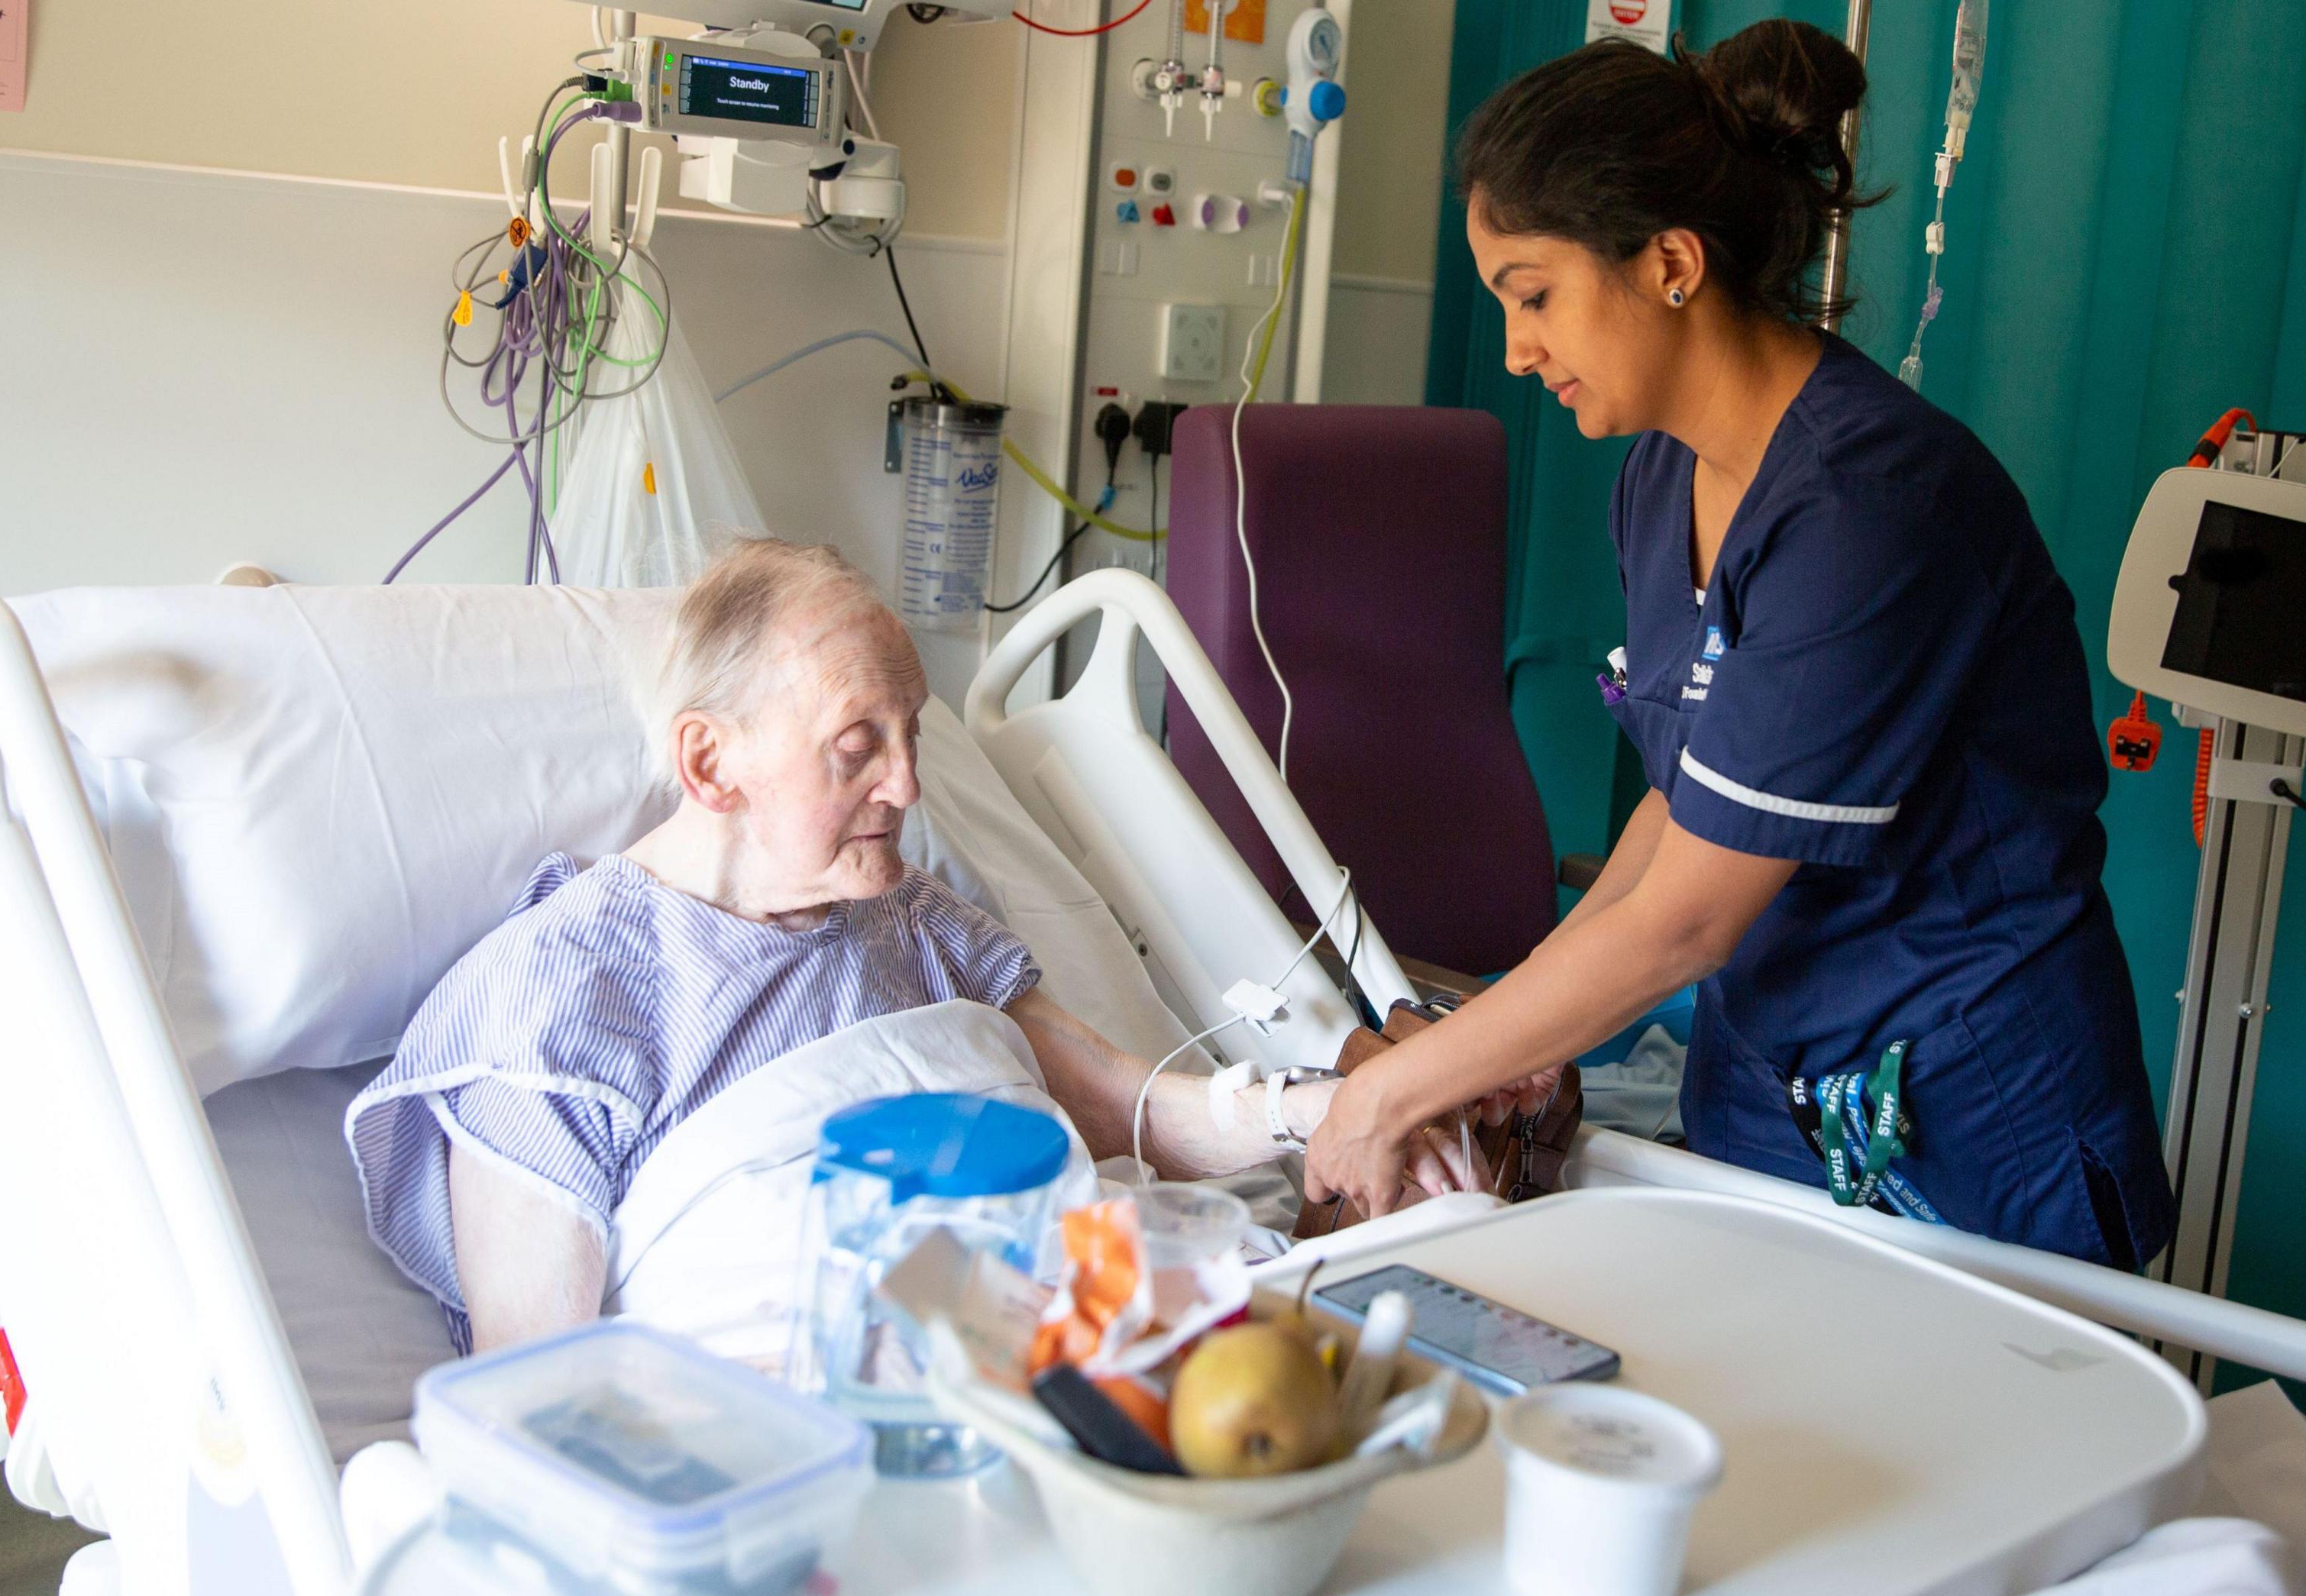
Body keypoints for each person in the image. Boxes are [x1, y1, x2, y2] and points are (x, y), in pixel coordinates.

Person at [1302, 22, 2175, 1269]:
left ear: (1670, 262)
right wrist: (1516, 1026)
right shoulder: (1661, 476)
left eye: (1534, 296)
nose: (1516, 350)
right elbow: (1692, 798)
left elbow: (1687, 921)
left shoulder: (1871, 509)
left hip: (1967, 1107)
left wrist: (1394, 1090)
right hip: (1771, 1076)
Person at [348, 539, 1473, 1351]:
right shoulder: (550, 999)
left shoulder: (914, 919)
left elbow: (1122, 1105)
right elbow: (539, 1391)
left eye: (912, 733)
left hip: (1096, 1354)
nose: (909, 783)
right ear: (709, 766)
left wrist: (1330, 1110)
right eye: (857, 747)